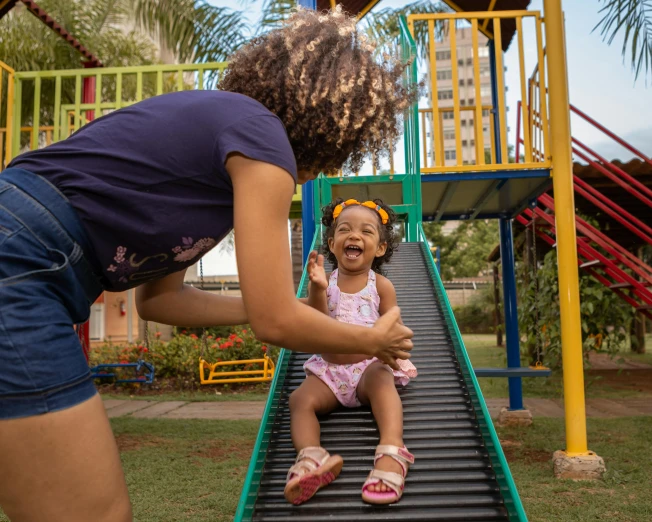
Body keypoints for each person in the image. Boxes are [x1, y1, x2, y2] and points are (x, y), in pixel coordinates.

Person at [0, 8, 415, 521]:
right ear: (330, 124)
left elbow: (162, 301)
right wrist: (371, 341)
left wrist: (270, 305)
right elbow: (276, 323)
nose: (323, 170)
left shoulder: (213, 156)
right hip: (22, 259)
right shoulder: (263, 139)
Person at [285, 198, 417, 506]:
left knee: (383, 382)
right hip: (330, 372)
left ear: (380, 248)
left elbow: (392, 324)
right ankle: (312, 455)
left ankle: (393, 450)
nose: (354, 236)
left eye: (366, 231)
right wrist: (317, 289)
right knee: (299, 400)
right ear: (332, 244)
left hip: (367, 367)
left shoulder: (381, 286)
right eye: (345, 229)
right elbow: (317, 323)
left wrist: (393, 351)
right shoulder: (325, 283)